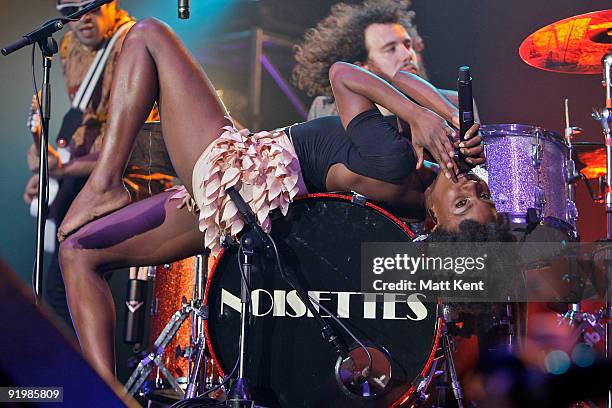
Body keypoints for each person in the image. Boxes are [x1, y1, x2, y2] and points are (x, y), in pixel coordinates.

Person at [55, 18, 488, 383]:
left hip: (240, 173)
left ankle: (105, 182)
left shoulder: (395, 161)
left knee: (149, 35)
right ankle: (105, 396)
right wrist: (444, 117)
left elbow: (342, 74)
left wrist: (419, 116)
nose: (469, 187)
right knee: (78, 255)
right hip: (250, 204)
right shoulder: (421, 175)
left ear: (432, 220)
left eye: (463, 205)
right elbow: (406, 79)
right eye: (481, 191)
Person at [22, 0, 167, 327]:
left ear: (111, 3)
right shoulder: (70, 45)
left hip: (132, 179)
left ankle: (85, 376)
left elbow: (132, 145)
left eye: (91, 7)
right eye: (70, 12)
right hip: (88, 172)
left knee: (67, 286)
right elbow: (87, 122)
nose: (83, 18)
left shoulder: (134, 44)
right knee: (58, 290)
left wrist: (66, 168)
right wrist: (52, 166)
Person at [293, 0, 479, 122]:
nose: (407, 54)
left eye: (408, 44)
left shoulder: (456, 103)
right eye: (390, 49)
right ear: (361, 68)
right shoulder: (325, 111)